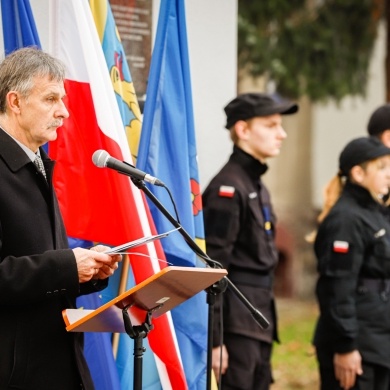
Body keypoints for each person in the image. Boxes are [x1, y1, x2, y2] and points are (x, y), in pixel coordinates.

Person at [0, 47, 122, 390]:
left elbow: (37, 260)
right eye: (51, 99)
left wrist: (87, 271)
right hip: (15, 374)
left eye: (63, 99)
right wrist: (67, 265)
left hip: (59, 361)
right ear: (15, 101)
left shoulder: (37, 163)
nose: (64, 112)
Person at [202, 92, 299, 390]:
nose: (281, 134)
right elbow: (214, 270)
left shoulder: (254, 183)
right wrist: (216, 340)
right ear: (243, 130)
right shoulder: (228, 188)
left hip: (256, 320)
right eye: (271, 125)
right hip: (235, 326)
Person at [313, 136, 390, 390]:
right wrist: (346, 345)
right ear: (358, 173)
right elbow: (337, 287)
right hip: (357, 347)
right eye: (381, 168)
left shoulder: (375, 214)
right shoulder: (346, 218)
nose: (389, 174)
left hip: (378, 342)